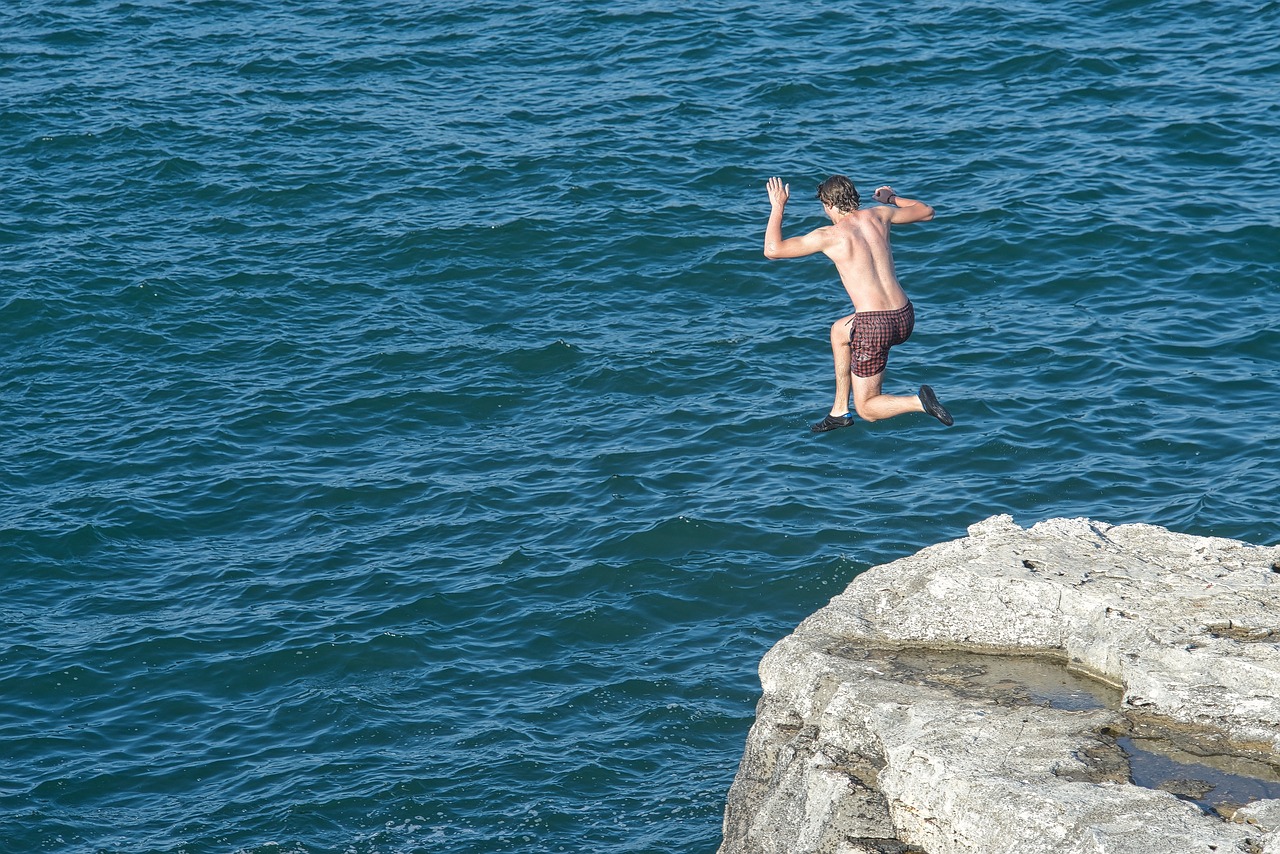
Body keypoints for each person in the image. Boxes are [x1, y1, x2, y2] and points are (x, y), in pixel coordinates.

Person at [763, 174, 953, 433]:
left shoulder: (829, 235)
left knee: (867, 409)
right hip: (905, 315)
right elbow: (927, 212)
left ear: (828, 204)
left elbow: (772, 250)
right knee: (839, 331)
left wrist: (778, 207)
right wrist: (892, 198)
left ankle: (919, 402)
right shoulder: (880, 215)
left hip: (874, 325)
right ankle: (839, 410)